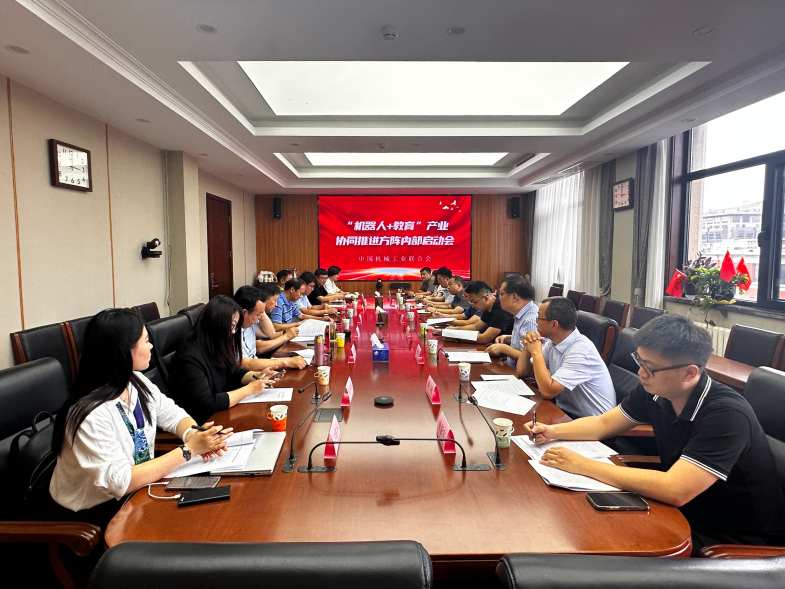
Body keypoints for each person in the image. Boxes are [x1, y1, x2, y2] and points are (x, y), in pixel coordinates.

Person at [523, 314, 785, 553]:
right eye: (639, 361)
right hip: (680, 511)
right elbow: (604, 424)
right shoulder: (656, 389)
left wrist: (582, 465)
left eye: (649, 367)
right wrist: (552, 431)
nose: (640, 373)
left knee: (596, 546)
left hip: (731, 536)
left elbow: (676, 489)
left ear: (689, 372)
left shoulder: (726, 414)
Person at [48, 309, 231, 528]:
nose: (151, 346)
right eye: (145, 340)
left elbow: (172, 414)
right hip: (97, 512)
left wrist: (193, 434)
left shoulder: (135, 381)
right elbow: (120, 481)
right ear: (125, 350)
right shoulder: (90, 413)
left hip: (140, 489)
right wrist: (189, 450)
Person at [167, 296, 275, 424]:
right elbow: (207, 403)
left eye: (235, 327)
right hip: (203, 424)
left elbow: (233, 372)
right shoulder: (188, 357)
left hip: (221, 415)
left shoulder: (214, 345)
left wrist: (258, 375)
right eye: (232, 326)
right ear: (217, 324)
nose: (233, 332)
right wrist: (249, 390)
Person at [516, 297, 615, 418]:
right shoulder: (553, 342)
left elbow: (548, 392)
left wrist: (536, 352)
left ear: (554, 324)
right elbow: (523, 372)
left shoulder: (581, 351)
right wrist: (528, 347)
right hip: (564, 413)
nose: (535, 321)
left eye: (539, 317)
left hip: (593, 421)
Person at [233, 285, 308, 370]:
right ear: (244, 313)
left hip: (255, 369)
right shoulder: (232, 330)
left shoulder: (249, 323)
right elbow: (246, 364)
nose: (259, 317)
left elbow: (269, 333)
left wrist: (260, 311)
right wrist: (286, 362)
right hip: (245, 373)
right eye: (257, 314)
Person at [486, 276, 538, 369]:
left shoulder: (530, 320)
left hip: (520, 375)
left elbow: (531, 358)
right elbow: (525, 342)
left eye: (501, 294)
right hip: (510, 367)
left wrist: (504, 349)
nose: (499, 297)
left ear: (514, 297)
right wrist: (509, 338)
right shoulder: (522, 313)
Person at [444, 280, 514, 344]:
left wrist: (456, 338)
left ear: (486, 298)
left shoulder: (501, 310)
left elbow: (485, 338)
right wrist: (454, 330)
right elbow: (476, 327)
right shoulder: (489, 307)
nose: (472, 306)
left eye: (474, 302)